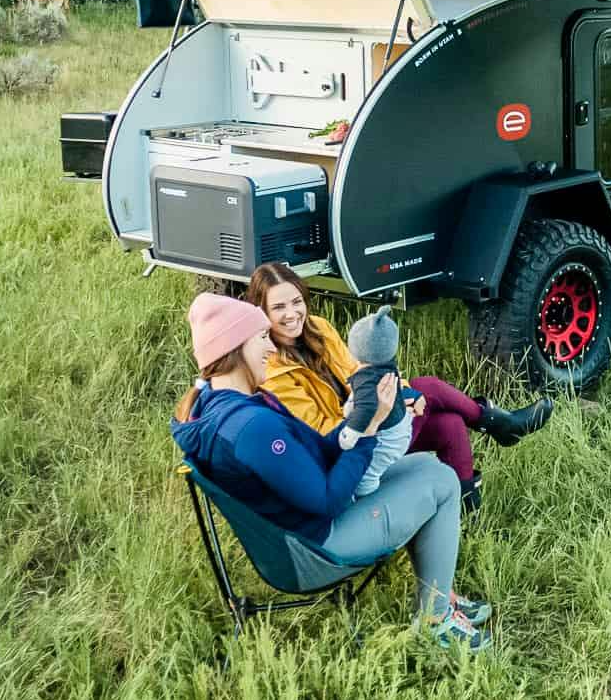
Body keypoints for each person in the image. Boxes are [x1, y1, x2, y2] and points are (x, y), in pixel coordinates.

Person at [170, 293, 490, 651]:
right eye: (261, 338)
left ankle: (438, 595)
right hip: (315, 550)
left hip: (297, 533)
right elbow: (328, 500)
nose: (270, 350)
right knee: (443, 481)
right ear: (234, 348)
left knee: (424, 466)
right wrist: (368, 432)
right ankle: (435, 621)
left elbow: (317, 451)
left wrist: (362, 420)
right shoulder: (250, 427)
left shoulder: (217, 405)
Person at [244, 262, 553, 510]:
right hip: (347, 451)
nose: (291, 314)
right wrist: (379, 409)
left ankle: (467, 510)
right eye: (278, 307)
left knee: (450, 425)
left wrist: (401, 396)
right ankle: (500, 423)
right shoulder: (271, 369)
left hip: (371, 419)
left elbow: (360, 370)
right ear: (260, 312)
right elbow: (321, 430)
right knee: (427, 386)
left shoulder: (319, 329)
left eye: (296, 301)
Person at [340, 305, 418, 498]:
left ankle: (371, 500)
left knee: (366, 477)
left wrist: (349, 434)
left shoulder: (366, 379)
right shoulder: (388, 365)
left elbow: (366, 408)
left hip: (386, 437)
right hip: (402, 426)